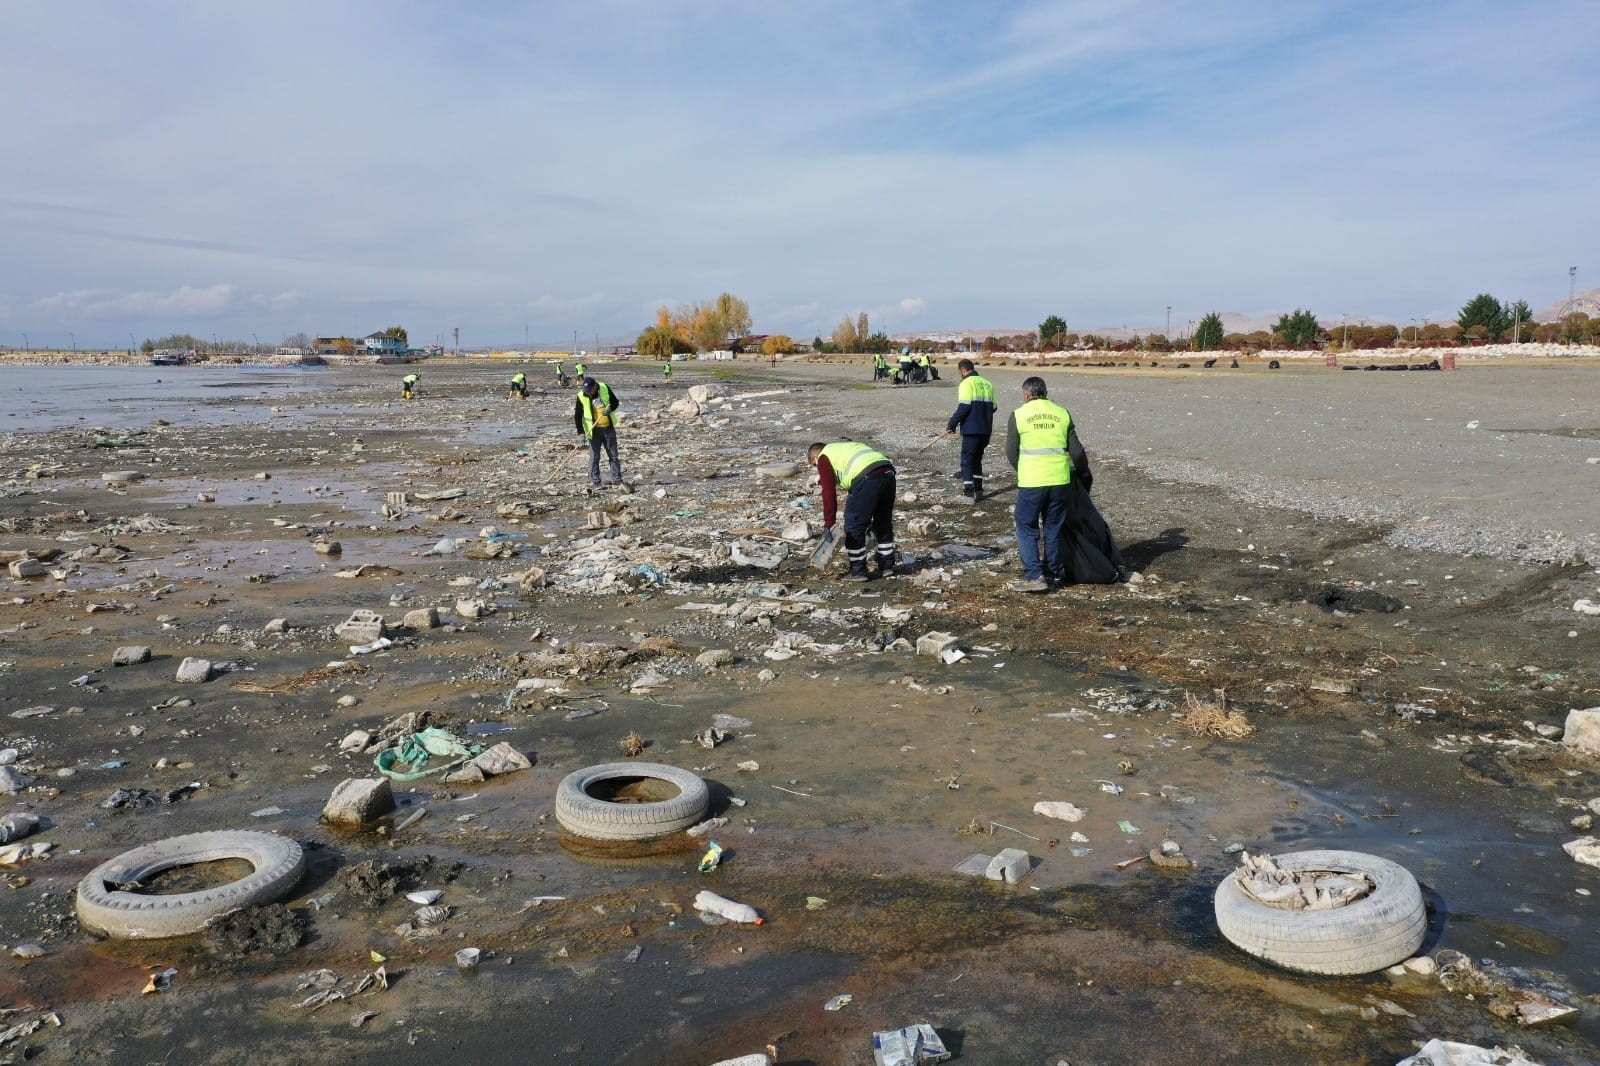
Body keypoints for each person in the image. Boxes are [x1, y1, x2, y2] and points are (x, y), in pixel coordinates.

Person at [1005, 376, 1127, 591]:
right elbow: (1078, 452)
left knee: (1026, 527)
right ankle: (1051, 574)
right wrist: (1083, 475)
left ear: (1026, 394)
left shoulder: (1019, 415)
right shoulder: (1062, 413)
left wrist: (1024, 470)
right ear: (1046, 392)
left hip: (1032, 481)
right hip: (1060, 481)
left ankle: (1035, 577)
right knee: (1053, 528)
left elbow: (1011, 452)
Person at [808, 441, 897, 582]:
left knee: (853, 526)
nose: (817, 468)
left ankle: (858, 571)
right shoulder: (843, 447)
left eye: (814, 465)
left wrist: (829, 523)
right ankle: (887, 566)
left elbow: (829, 493)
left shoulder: (824, 458)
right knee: (883, 522)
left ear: (815, 458)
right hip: (888, 472)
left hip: (867, 477)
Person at [946, 358, 997, 503]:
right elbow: (993, 407)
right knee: (977, 460)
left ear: (962, 371)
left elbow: (964, 406)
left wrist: (952, 423)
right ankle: (979, 491)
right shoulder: (987, 383)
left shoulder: (966, 383)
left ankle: (969, 494)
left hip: (971, 430)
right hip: (986, 430)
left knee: (967, 461)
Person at [573, 377, 623, 487]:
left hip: (608, 429)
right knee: (595, 457)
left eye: (590, 391)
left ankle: (617, 479)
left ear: (595, 386)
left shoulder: (604, 388)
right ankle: (595, 481)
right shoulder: (581, 395)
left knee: (613, 456)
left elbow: (615, 402)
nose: (589, 393)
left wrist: (610, 409)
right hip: (593, 431)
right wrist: (581, 433)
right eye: (587, 391)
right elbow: (577, 416)